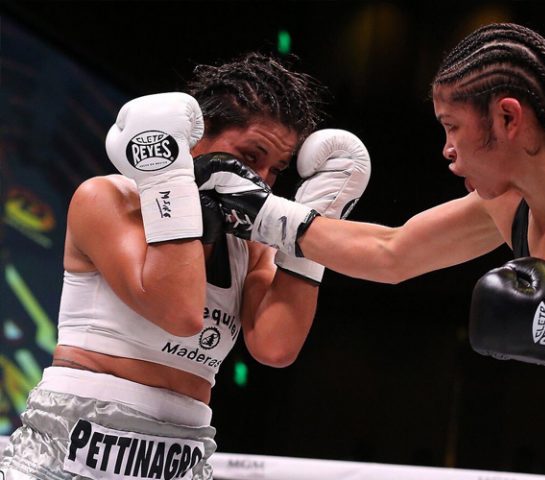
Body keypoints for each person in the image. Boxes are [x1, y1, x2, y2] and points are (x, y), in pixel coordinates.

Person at [190, 23, 545, 479]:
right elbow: (392, 252)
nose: (446, 150)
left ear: (507, 117)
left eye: (452, 127)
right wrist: (266, 214)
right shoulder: (510, 203)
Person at [0, 52, 370, 480]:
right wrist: (173, 186)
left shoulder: (250, 244)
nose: (260, 181)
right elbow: (179, 312)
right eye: (251, 156)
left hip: (178, 462)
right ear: (194, 137)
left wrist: (315, 224)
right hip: (68, 452)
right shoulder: (108, 199)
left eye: (275, 170)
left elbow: (276, 347)